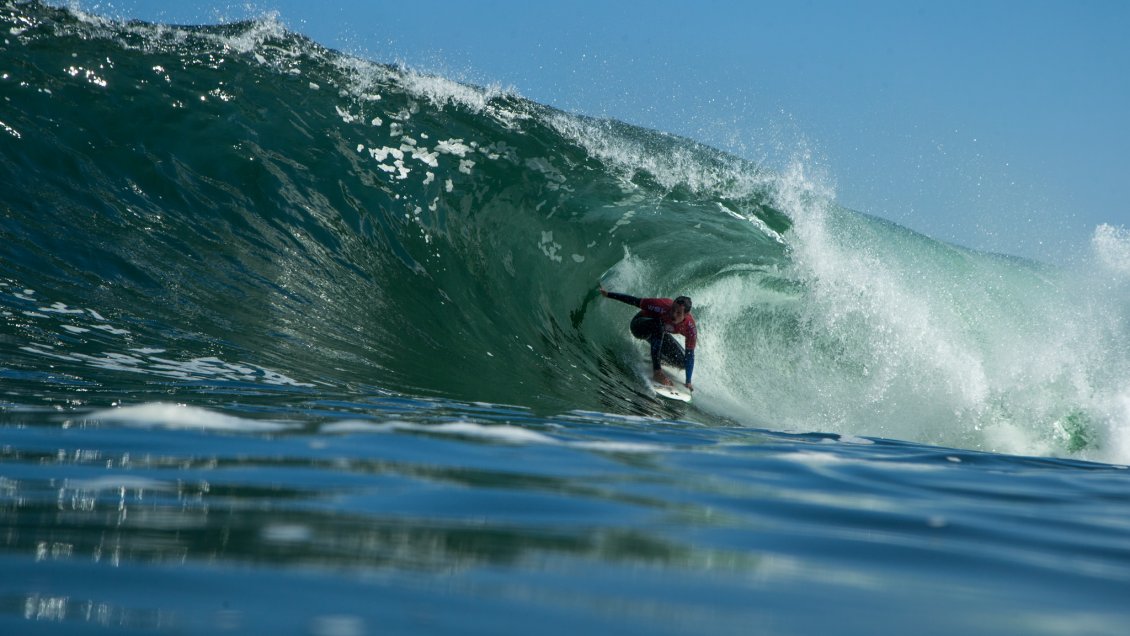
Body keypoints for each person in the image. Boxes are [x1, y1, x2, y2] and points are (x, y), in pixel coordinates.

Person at [600, 285, 696, 390]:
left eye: (678, 313)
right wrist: (608, 294)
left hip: (657, 333)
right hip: (639, 326)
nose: (673, 314)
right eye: (673, 309)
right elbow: (634, 301)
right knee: (658, 325)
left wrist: (688, 382)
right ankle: (657, 372)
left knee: (683, 362)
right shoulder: (662, 306)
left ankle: (658, 360)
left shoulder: (690, 328)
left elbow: (690, 354)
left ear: (686, 315)